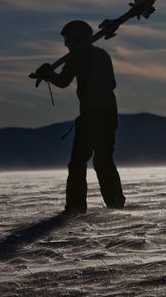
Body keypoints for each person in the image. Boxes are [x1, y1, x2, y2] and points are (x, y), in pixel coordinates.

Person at [35, 20, 126, 215]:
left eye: (67, 38)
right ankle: (115, 202)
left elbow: (62, 81)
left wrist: (48, 74)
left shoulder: (77, 56)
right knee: (104, 160)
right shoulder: (102, 55)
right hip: (110, 114)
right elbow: (112, 83)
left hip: (92, 115)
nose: (65, 44)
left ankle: (76, 207)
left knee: (78, 162)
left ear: (75, 37)